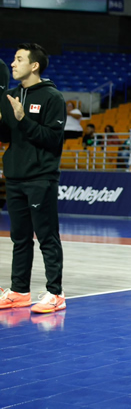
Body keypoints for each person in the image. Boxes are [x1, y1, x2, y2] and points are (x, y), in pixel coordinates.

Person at [0, 43, 66, 313]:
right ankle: (19, 291)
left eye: (18, 59)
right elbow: (8, 137)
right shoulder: (11, 95)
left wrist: (23, 118)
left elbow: (52, 139)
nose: (12, 64)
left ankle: (55, 293)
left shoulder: (53, 98)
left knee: (47, 237)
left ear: (34, 65)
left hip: (41, 178)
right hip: (14, 177)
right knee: (20, 238)